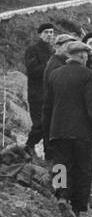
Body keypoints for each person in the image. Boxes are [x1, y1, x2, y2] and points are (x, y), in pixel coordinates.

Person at [42, 41, 92, 217]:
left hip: (58, 131)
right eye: (86, 56)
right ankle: (79, 209)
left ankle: (62, 196)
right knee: (83, 170)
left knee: (61, 166)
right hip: (82, 133)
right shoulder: (87, 75)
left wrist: (47, 134)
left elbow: (47, 107)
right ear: (82, 56)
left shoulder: (54, 74)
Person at [23, 21, 55, 155]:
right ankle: (29, 145)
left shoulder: (53, 51)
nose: (49, 35)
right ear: (40, 35)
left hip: (51, 94)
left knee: (50, 125)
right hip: (37, 94)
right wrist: (50, 65)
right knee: (40, 124)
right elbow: (32, 70)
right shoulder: (32, 50)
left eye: (51, 32)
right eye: (46, 32)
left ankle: (49, 153)